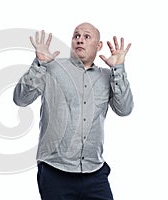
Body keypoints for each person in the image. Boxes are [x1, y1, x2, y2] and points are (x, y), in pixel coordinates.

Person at [13, 22, 134, 200]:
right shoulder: (52, 68)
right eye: (76, 36)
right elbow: (20, 99)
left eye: (86, 37)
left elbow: (124, 109)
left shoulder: (108, 76)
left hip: (95, 172)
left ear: (98, 45)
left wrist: (118, 69)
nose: (80, 40)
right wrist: (39, 64)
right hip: (55, 171)